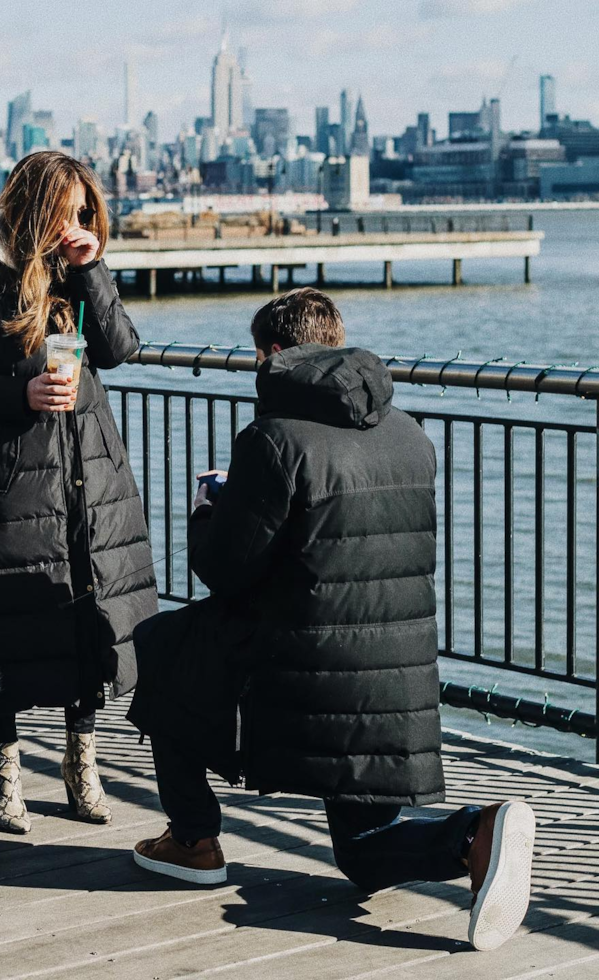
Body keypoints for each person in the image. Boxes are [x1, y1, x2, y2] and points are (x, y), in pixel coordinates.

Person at [127, 287, 535, 953]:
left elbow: (228, 570)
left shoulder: (271, 438)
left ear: (277, 354)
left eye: (259, 356)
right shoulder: (408, 433)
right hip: (393, 678)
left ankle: (194, 839)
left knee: (161, 643)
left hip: (300, 671)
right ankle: (476, 833)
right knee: (366, 856)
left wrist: (209, 507)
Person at [0, 151, 158, 834]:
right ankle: (5, 765)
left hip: (90, 478)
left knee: (83, 613)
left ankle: (82, 763)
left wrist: (91, 266)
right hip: (11, 481)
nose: (76, 222)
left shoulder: (77, 272)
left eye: (86, 211)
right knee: (5, 621)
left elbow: (118, 349)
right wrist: (16, 393)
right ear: (35, 207)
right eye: (66, 211)